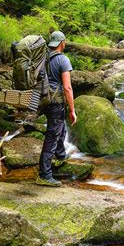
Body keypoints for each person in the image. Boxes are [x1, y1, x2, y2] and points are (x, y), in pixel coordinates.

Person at [36, 31, 77, 187]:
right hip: (56, 101)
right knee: (52, 135)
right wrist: (72, 110)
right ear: (62, 43)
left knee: (59, 127)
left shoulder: (43, 58)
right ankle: (44, 175)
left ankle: (60, 155)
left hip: (43, 99)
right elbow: (67, 87)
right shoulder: (63, 60)